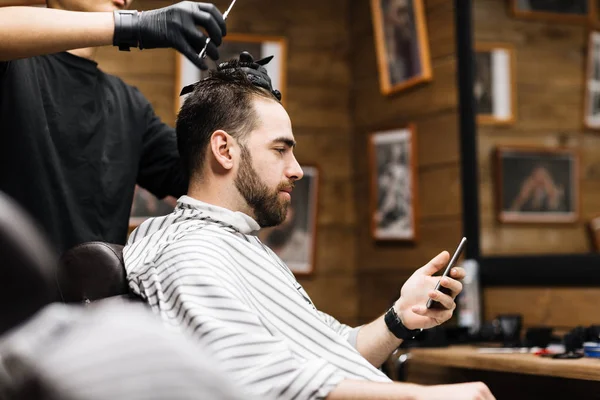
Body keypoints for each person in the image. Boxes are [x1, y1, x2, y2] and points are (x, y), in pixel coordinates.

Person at [123, 53, 494, 400]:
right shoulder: (189, 255)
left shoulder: (240, 245)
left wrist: (400, 317)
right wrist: (421, 396)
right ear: (224, 150)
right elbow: (262, 382)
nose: (296, 169)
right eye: (280, 149)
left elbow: (330, 354)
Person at [0, 0, 227, 256]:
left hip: (101, 294)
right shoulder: (12, 66)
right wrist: (133, 26)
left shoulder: (130, 105)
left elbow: (209, 173)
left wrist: (243, 104)